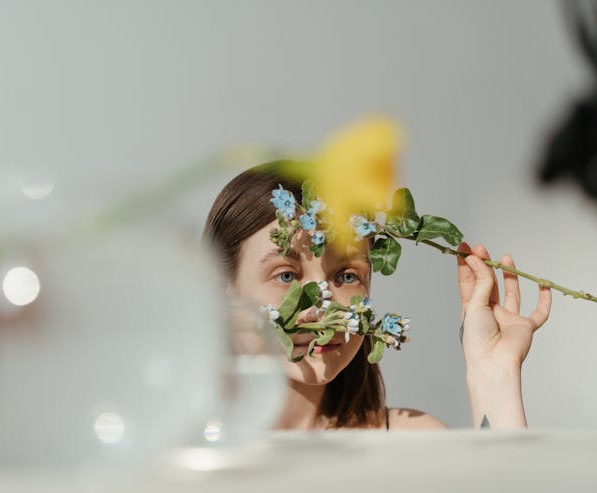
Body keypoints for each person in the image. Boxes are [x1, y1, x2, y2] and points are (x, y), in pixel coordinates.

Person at [203, 162, 552, 430]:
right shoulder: (178, 453)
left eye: (346, 276)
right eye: (285, 275)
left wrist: (494, 372)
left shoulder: (412, 443)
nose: (321, 309)